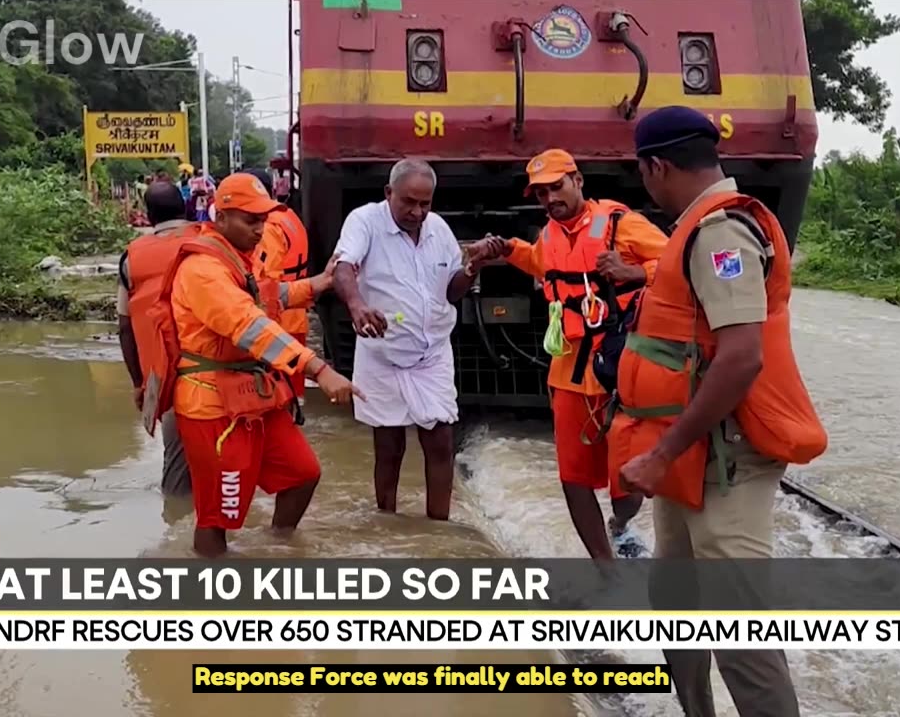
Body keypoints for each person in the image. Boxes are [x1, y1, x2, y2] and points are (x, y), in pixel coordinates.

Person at [611, 106, 828, 716]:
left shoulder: (720, 232)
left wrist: (661, 452)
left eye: (642, 170)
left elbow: (741, 359)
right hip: (695, 455)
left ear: (655, 166)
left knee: (740, 634)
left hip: (724, 457)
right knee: (674, 598)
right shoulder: (694, 228)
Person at [134, 173, 365, 557]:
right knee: (217, 517)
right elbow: (249, 325)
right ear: (220, 217)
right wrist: (319, 369)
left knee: (303, 473)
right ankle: (215, 597)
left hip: (254, 396)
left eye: (263, 219)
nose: (260, 229)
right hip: (213, 408)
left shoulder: (234, 259)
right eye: (250, 220)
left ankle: (277, 548)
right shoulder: (204, 270)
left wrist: (319, 283)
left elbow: (267, 296)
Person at [465, 149, 667, 560]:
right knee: (573, 478)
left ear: (577, 181)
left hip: (622, 365)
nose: (549, 198)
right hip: (569, 373)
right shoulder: (550, 233)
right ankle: (605, 568)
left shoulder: (621, 224)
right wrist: (505, 249)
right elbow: (540, 263)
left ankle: (622, 523)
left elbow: (679, 262)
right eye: (540, 193)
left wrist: (636, 272)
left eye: (556, 186)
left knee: (627, 480)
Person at [332, 159, 476, 521]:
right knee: (389, 444)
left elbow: (452, 292)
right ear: (388, 194)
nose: (417, 212)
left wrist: (473, 269)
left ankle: (438, 527)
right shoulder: (364, 221)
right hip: (381, 354)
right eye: (408, 203)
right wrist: (357, 306)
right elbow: (343, 268)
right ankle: (387, 521)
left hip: (432, 354)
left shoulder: (438, 230)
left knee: (440, 440)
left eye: (425, 204)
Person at [117, 180, 197, 501]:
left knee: (177, 484)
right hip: (220, 372)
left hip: (167, 379)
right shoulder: (213, 242)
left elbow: (125, 329)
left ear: (149, 217)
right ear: (187, 207)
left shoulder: (131, 258)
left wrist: (139, 384)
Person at [243, 168, 313, 402]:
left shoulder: (268, 228)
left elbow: (265, 282)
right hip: (297, 316)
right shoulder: (289, 217)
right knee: (293, 398)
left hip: (279, 322)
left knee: (276, 399)